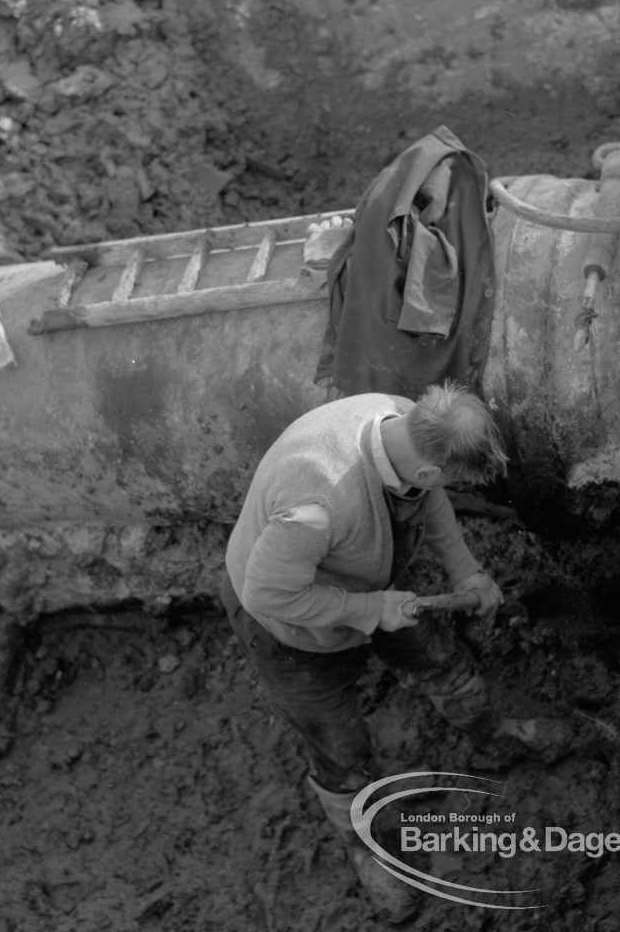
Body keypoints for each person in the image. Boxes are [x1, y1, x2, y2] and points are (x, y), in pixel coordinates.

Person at [220, 381, 508, 921]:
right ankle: (366, 843)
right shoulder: (317, 503)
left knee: (439, 658)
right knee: (341, 748)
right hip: (288, 626)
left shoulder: (401, 419)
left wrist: (465, 569)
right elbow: (269, 594)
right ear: (425, 468)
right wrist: (370, 610)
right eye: (445, 479)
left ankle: (492, 733)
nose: (441, 488)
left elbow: (433, 497)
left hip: (367, 575)